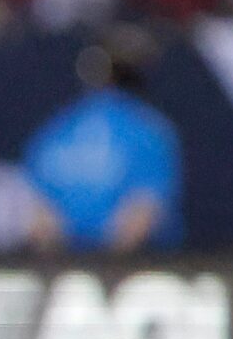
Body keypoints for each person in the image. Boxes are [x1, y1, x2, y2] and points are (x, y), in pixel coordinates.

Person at [22, 35, 182, 250]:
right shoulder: (149, 130)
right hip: (106, 265)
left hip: (110, 265)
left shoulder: (57, 128)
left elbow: (143, 213)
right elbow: (40, 214)